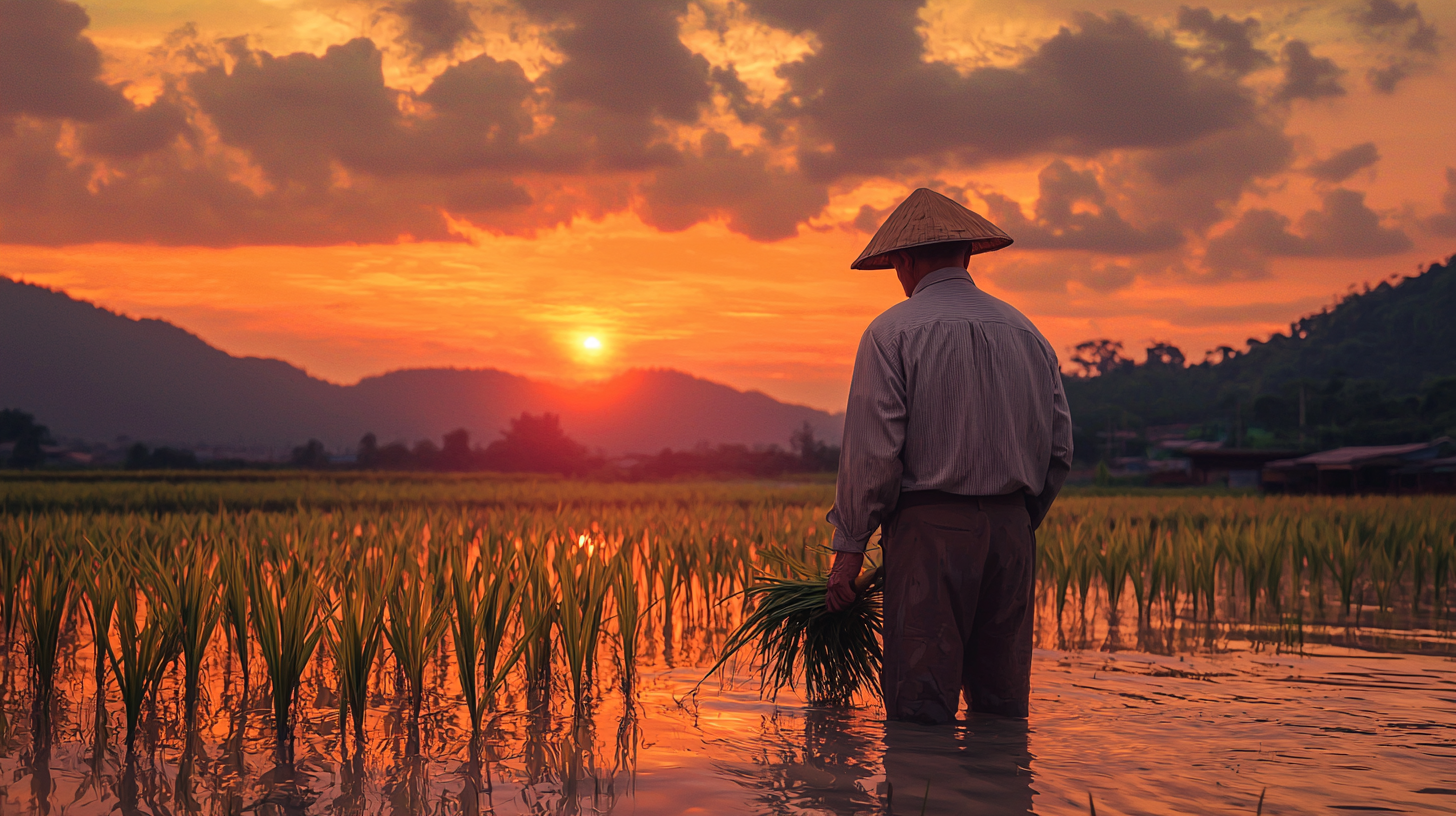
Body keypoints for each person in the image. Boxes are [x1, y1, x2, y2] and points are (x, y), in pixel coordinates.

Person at [824, 188, 1073, 724]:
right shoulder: (1027, 333)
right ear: (966, 255)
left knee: (920, 710)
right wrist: (1016, 522)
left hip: (929, 533)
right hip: (1012, 534)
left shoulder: (892, 331)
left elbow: (874, 453)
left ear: (904, 261)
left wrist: (849, 551)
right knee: (1002, 711)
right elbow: (1058, 450)